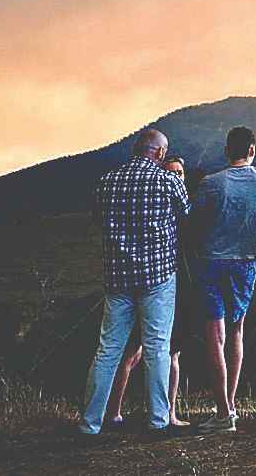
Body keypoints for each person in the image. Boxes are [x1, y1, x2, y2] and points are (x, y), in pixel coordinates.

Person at [78, 128, 190, 437]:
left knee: (108, 350)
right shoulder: (168, 181)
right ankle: (158, 421)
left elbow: (98, 220)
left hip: (117, 278)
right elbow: (186, 217)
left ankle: (90, 424)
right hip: (158, 276)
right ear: (159, 154)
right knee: (157, 347)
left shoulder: (106, 183)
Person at [192, 126, 256, 432]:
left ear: (227, 151)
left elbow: (197, 222)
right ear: (253, 150)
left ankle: (223, 412)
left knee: (214, 336)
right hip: (246, 263)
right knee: (236, 332)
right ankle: (230, 406)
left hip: (212, 262)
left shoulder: (211, 183)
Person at [104, 155, 196, 429]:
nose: (176, 177)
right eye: (170, 172)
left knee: (171, 353)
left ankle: (168, 413)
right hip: (151, 283)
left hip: (176, 286)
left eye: (180, 172)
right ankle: (115, 412)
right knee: (132, 351)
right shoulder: (158, 210)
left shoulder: (184, 208)